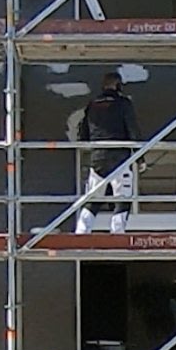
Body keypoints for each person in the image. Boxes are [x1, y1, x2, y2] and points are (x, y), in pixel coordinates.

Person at [75, 71, 142, 236]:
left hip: (98, 158)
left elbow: (82, 134)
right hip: (120, 158)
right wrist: (140, 158)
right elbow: (133, 131)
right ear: (118, 86)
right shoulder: (123, 104)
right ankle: (117, 233)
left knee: (93, 200)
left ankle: (81, 232)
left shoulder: (92, 105)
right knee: (122, 198)